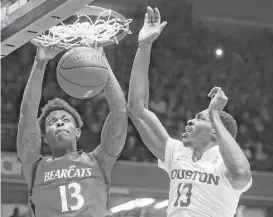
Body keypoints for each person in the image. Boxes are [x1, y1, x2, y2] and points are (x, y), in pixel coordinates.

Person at [128, 6, 252, 217]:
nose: (190, 121)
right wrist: (144, 45)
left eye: (199, 118)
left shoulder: (224, 164)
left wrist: (214, 114)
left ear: (215, 132)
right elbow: (136, 109)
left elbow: (241, 173)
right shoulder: (178, 152)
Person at [16, 43, 128, 217]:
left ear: (77, 132)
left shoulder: (99, 160)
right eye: (52, 121)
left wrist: (101, 61)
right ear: (44, 137)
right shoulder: (35, 166)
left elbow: (119, 111)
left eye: (65, 120)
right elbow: (27, 117)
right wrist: (40, 63)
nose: (59, 123)